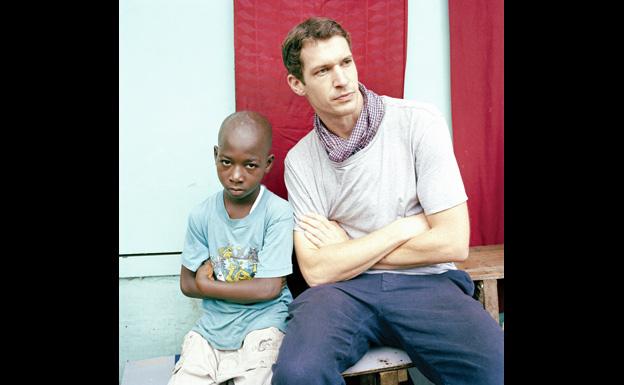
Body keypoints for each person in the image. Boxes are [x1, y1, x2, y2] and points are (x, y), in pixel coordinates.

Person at [271, 17, 503, 385]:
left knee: (496, 370)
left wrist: (348, 248)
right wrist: (404, 227)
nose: (342, 79)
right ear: (297, 83)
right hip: (341, 293)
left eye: (346, 62)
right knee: (298, 373)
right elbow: (316, 271)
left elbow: (453, 242)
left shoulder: (418, 123)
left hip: (426, 285)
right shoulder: (301, 161)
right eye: (323, 71)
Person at [168, 111, 294, 385]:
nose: (236, 176)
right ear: (216, 155)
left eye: (250, 166)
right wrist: (202, 285)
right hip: (213, 326)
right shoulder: (201, 215)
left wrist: (208, 285)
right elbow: (186, 284)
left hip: (265, 322)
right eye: (227, 162)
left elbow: (268, 289)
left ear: (267, 164)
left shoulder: (277, 213)